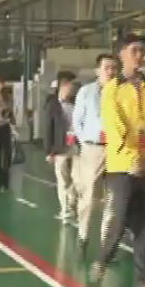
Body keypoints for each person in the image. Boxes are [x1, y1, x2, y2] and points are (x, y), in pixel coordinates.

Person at [89, 34, 145, 287]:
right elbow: (115, 128)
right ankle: (102, 259)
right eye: (134, 50)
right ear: (122, 54)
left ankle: (142, 281)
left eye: (142, 50)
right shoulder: (112, 90)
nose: (140, 55)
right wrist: (134, 158)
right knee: (120, 218)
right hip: (122, 167)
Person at [71, 53, 118, 252]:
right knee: (89, 196)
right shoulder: (86, 92)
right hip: (93, 149)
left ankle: (106, 243)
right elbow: (77, 121)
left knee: (113, 198)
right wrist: (86, 142)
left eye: (114, 68)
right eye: (106, 67)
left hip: (116, 150)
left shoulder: (121, 92)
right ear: (98, 71)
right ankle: (83, 235)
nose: (110, 72)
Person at [43, 71, 78, 221]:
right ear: (62, 86)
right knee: (63, 179)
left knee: (77, 179)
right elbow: (48, 128)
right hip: (60, 148)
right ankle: (65, 209)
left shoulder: (76, 103)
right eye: (69, 85)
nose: (72, 89)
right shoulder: (53, 105)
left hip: (76, 147)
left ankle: (72, 203)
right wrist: (49, 151)